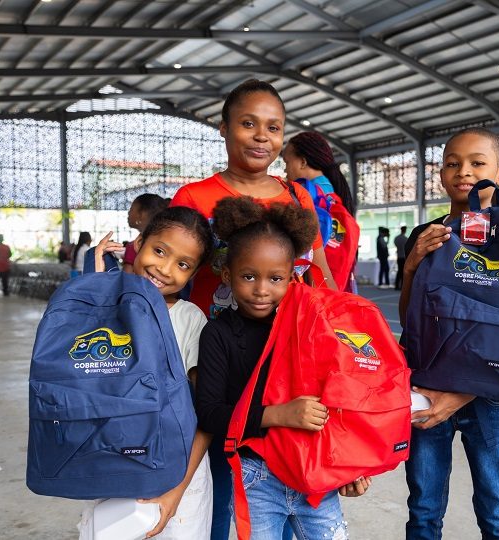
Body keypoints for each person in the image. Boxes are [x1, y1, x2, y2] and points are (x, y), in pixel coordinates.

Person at [169, 78, 336, 540]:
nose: (262, 136)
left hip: (287, 360)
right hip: (220, 357)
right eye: (248, 124)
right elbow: (169, 271)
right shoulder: (194, 198)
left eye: (274, 127)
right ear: (223, 129)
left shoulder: (297, 197)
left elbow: (318, 272)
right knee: (227, 492)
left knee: (285, 478)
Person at [196, 196, 370, 540]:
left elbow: (341, 402)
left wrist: (351, 465)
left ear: (292, 277)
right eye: (248, 276)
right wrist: (278, 415)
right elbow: (210, 413)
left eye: (275, 278)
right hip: (254, 475)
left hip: (315, 470)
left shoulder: (309, 329)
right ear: (227, 275)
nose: (261, 290)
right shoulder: (217, 333)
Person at [398, 127, 499, 540]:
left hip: (488, 393)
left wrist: (466, 391)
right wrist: (413, 262)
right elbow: (409, 317)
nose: (463, 171)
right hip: (427, 385)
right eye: (452, 162)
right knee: (424, 511)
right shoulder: (426, 234)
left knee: (497, 511)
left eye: (477, 163)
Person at [78, 206, 216, 539]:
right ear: (139, 242)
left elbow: (207, 415)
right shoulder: (103, 308)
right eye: (159, 251)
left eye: (183, 264)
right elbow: (75, 379)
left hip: (177, 477)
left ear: (194, 273)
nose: (165, 269)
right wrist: (94, 287)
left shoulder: (190, 320)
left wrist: (176, 492)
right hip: (111, 467)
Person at [281, 131, 357, 216]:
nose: (285, 170)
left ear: (303, 162)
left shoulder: (304, 193)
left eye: (286, 162)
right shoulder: (330, 189)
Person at [124, 193, 170, 273]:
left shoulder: (135, 246)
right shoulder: (167, 242)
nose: (128, 213)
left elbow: (126, 279)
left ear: (141, 214)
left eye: (131, 209)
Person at [394, 225, 408, 290]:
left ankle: (397, 285)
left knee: (399, 271)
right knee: (403, 271)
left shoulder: (396, 238)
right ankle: (402, 285)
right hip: (404, 256)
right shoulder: (406, 239)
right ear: (405, 230)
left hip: (399, 256)